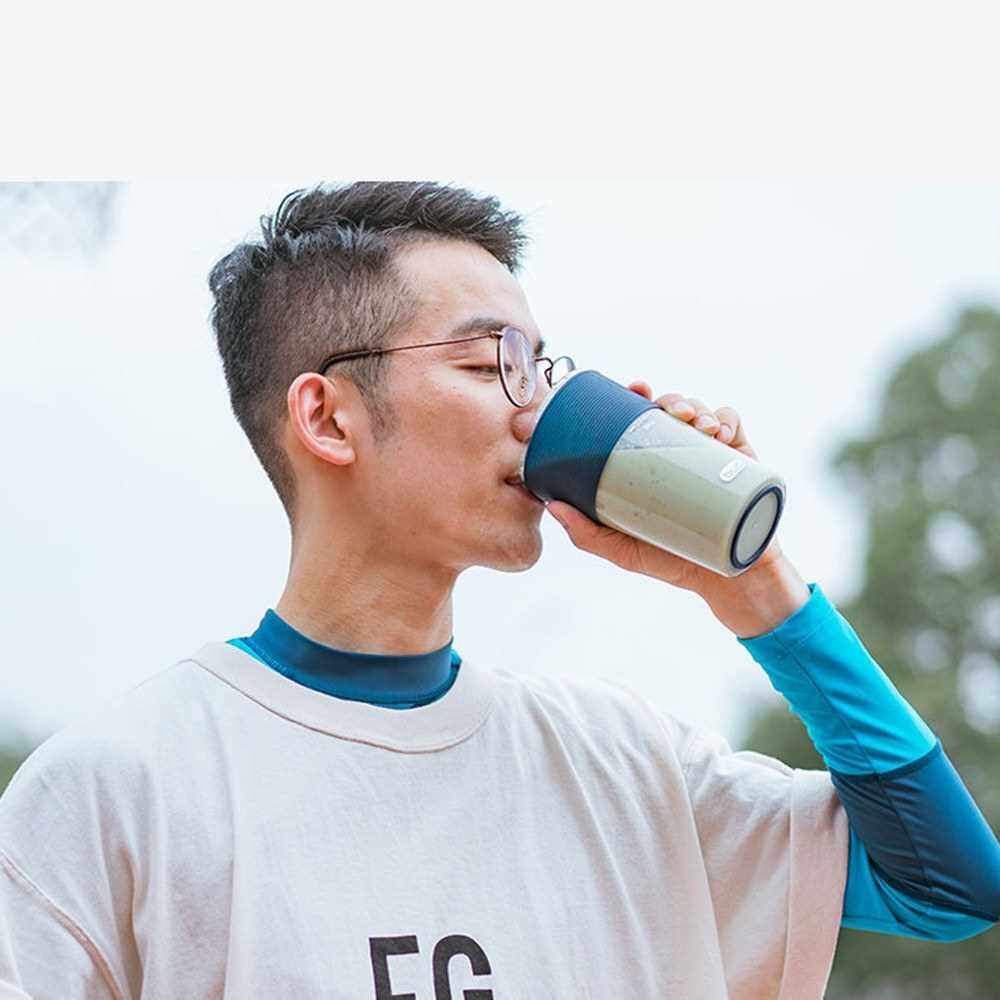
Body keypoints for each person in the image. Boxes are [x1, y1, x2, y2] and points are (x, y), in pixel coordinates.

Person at [1, 181, 997, 999]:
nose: (540, 408)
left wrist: (755, 585)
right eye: (490, 364)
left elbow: (949, 889)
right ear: (329, 418)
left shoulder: (623, 762)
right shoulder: (119, 789)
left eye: (541, 366)